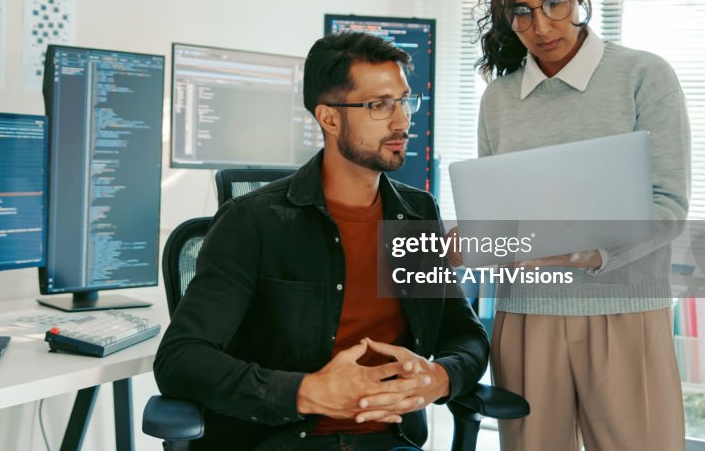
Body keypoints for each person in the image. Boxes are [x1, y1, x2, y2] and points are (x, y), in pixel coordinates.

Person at [154, 31, 489, 451]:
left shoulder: (416, 214)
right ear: (329, 119)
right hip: (281, 443)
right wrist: (307, 392)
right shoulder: (252, 221)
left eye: (405, 101)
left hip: (390, 442)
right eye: (380, 105)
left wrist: (440, 377)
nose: (403, 121)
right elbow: (180, 359)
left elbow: (466, 335)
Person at [455, 0, 692, 450]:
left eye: (555, 2)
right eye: (521, 11)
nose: (541, 26)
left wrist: (592, 252)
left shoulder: (643, 76)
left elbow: (669, 207)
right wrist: (473, 239)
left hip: (626, 316)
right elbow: (498, 217)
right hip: (527, 319)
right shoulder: (498, 100)